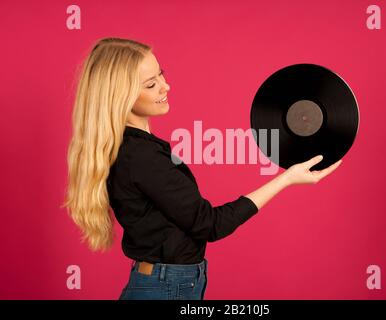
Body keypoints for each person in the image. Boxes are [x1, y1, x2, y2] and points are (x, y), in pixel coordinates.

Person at [62, 37, 342, 300]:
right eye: (150, 84)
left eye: (162, 73)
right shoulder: (141, 157)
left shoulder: (134, 149)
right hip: (166, 286)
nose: (165, 86)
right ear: (118, 96)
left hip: (165, 282)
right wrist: (286, 179)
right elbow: (210, 225)